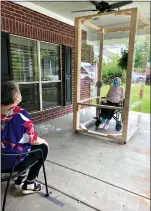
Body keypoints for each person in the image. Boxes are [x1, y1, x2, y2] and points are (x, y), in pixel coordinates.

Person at [1, 81, 49, 194]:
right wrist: (44, 142)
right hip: (11, 164)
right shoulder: (20, 115)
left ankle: (20, 178)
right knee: (42, 147)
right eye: (19, 91)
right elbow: (33, 140)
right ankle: (30, 184)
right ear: (15, 95)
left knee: (20, 144)